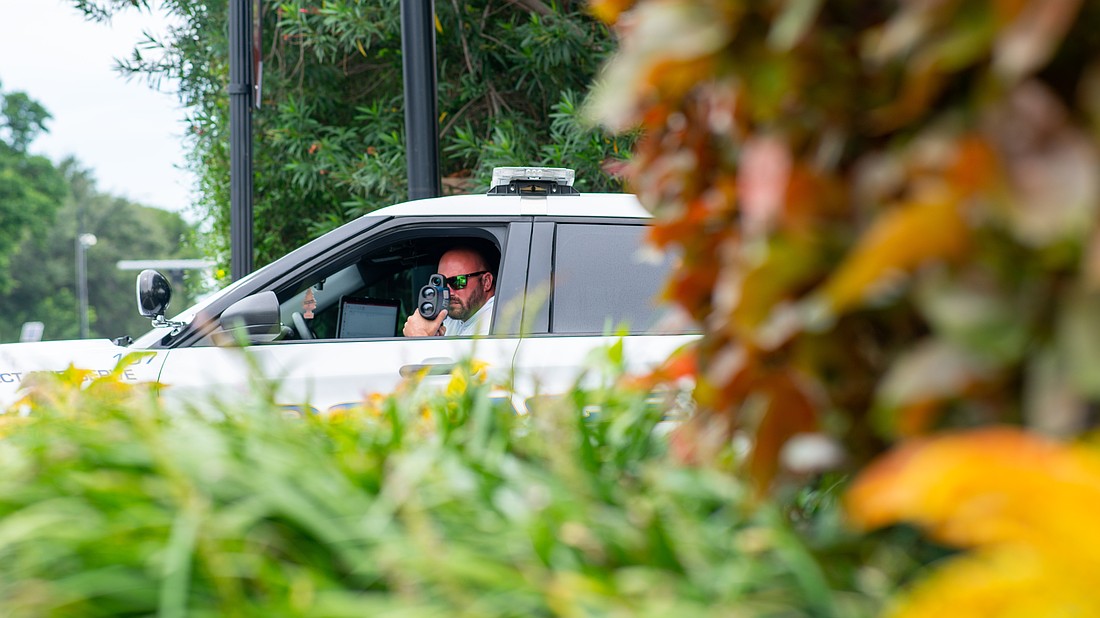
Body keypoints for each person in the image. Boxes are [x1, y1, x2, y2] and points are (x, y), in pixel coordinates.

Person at [403, 245, 496, 337]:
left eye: (458, 281)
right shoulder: (454, 316)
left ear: (486, 282)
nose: (448, 292)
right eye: (442, 283)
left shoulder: (496, 322)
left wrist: (419, 336)